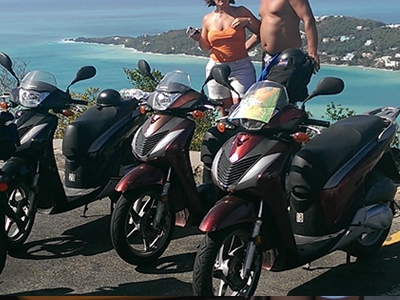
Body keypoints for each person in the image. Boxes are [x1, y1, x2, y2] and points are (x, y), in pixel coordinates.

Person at [189, 0, 261, 116]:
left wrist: (248, 21)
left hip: (241, 67)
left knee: (242, 106)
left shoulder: (241, 11)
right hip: (216, 68)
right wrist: (198, 39)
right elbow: (206, 47)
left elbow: (261, 32)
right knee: (224, 109)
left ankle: (242, 133)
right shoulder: (208, 18)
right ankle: (227, 134)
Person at [248, 0, 320, 77]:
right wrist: (243, 48)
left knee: (286, 87)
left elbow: (308, 19)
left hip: (288, 57)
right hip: (267, 58)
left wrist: (312, 52)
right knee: (268, 88)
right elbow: (265, 26)